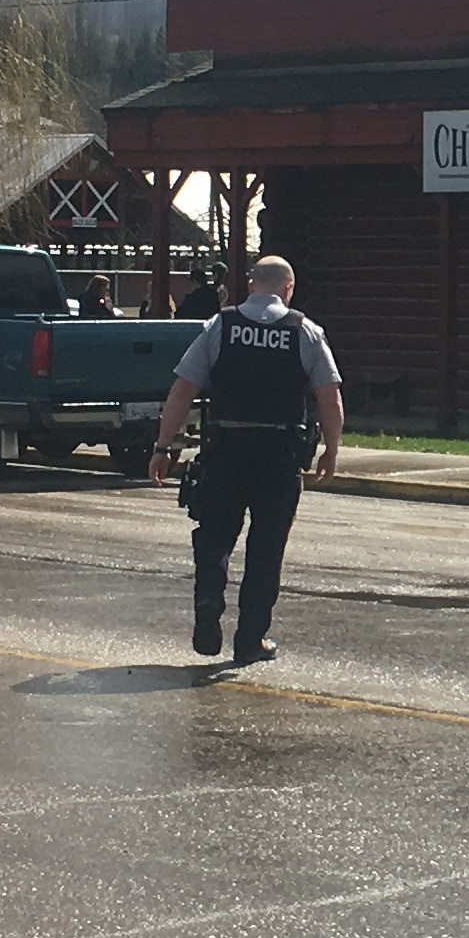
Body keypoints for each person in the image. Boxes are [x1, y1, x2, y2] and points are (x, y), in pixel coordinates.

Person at [149, 254, 345, 663]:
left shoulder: (220, 325)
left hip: (226, 449)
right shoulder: (305, 331)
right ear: (288, 289)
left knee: (215, 535)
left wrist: (163, 447)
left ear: (252, 285)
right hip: (279, 454)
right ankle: (250, 639)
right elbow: (329, 397)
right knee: (266, 547)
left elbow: (182, 390)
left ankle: (208, 601)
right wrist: (331, 449)